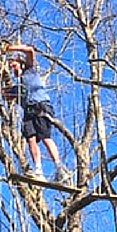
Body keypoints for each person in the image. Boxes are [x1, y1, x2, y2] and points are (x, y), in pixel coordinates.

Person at [4, 44, 71, 184]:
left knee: (45, 137)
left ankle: (59, 168)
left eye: (14, 65)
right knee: (31, 140)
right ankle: (38, 170)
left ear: (21, 64)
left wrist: (10, 48)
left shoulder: (30, 71)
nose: (13, 68)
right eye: (11, 67)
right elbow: (6, 95)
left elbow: (30, 50)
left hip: (40, 107)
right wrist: (2, 78)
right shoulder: (19, 86)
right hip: (28, 112)